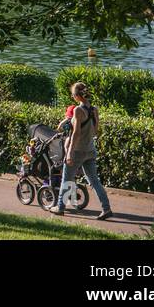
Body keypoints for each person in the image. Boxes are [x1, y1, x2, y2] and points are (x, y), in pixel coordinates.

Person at [51, 81, 113, 220]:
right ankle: (106, 208)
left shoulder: (78, 110)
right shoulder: (94, 109)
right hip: (90, 149)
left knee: (66, 179)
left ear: (78, 96)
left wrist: (69, 152)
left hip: (78, 150)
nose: (73, 97)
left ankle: (60, 207)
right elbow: (96, 131)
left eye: (73, 95)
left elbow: (76, 134)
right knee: (94, 181)